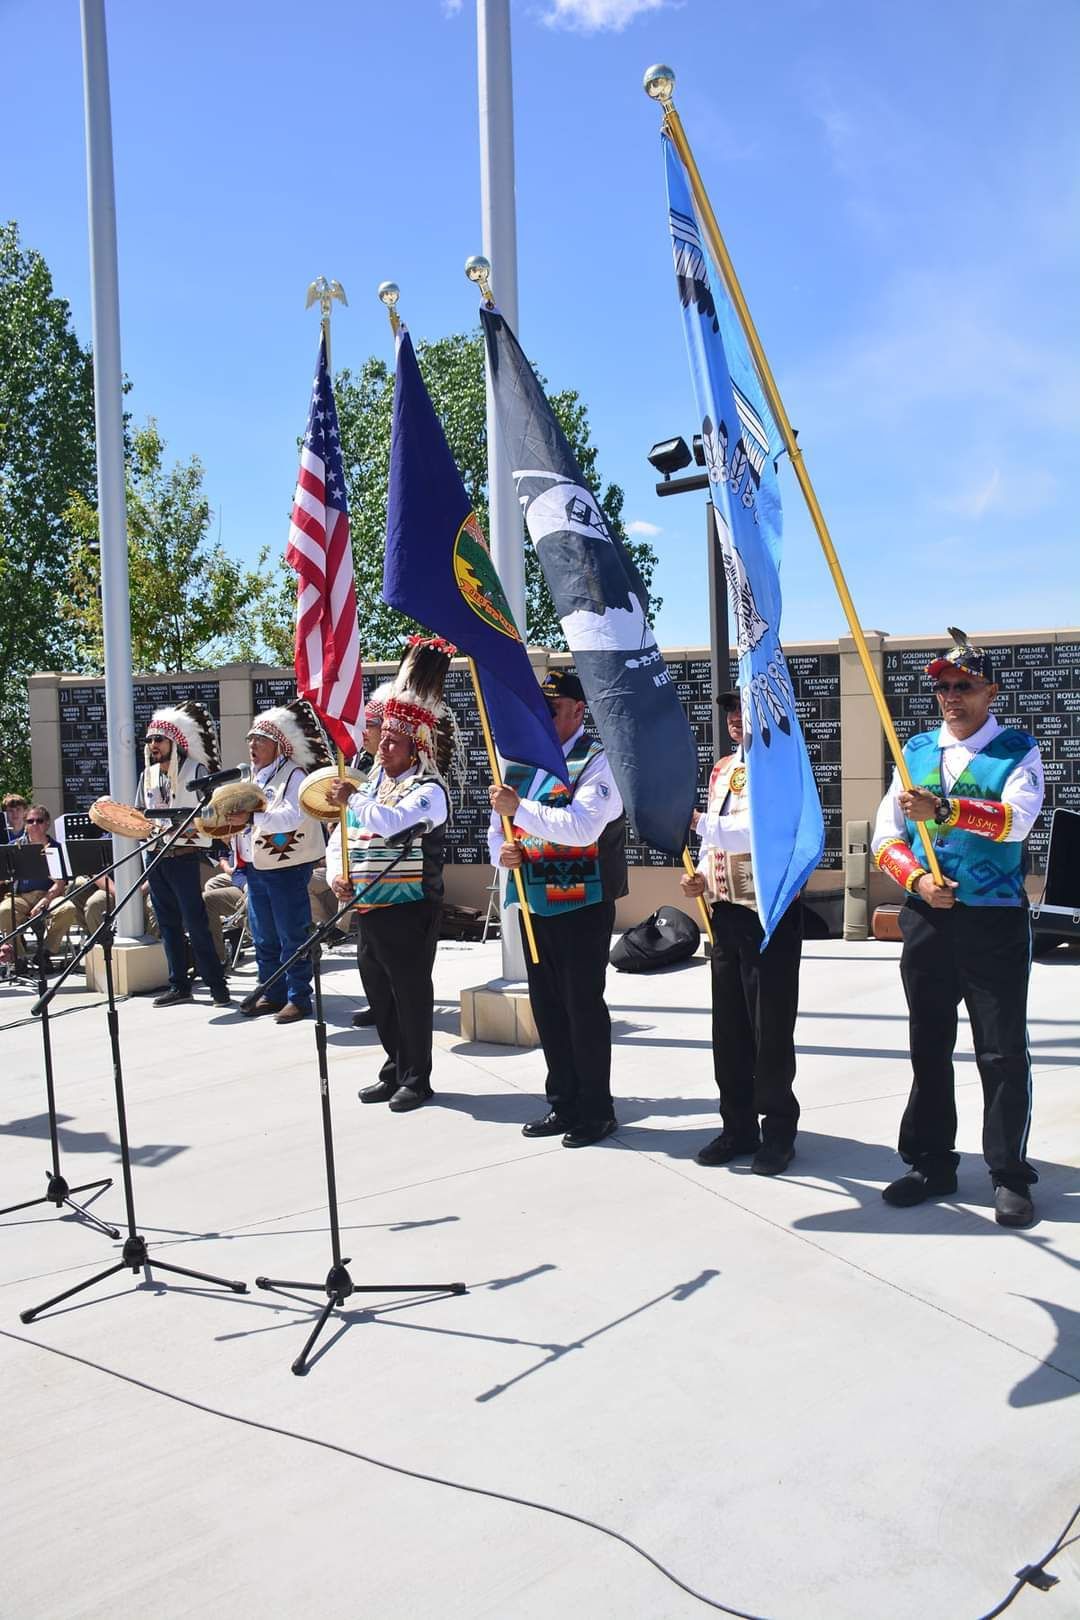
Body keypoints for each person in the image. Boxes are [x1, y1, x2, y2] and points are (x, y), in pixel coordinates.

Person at [871, 627, 1045, 1228]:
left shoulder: (1017, 751)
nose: (951, 697)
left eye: (964, 687)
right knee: (928, 1043)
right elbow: (885, 836)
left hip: (993, 921)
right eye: (944, 687)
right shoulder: (915, 751)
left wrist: (944, 808)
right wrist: (917, 880)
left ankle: (1009, 1173)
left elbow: (1018, 821)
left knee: (1000, 1050)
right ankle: (930, 1162)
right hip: (928, 918)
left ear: (990, 692)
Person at [488, 668, 627, 1149]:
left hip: (582, 906)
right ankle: (563, 1101)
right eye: (539, 709)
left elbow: (583, 826)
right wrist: (503, 854)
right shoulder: (522, 766)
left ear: (577, 710)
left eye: (551, 709)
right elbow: (496, 832)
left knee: (582, 1008)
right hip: (534, 904)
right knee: (548, 1010)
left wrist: (520, 810)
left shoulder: (596, 762)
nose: (543, 718)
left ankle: (596, 1109)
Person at [326, 641, 454, 1112]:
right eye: (383, 739)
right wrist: (338, 875)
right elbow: (342, 836)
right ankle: (394, 1067)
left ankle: (417, 1079)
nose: (382, 747)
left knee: (410, 992)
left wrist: (354, 798)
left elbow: (392, 823)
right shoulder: (370, 786)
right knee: (378, 991)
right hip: (369, 905)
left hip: (411, 906)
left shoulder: (429, 790)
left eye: (394, 741)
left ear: (416, 746)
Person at [680, 692, 804, 1175]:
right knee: (728, 1029)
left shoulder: (784, 769)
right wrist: (700, 878)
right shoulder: (722, 769)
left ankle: (778, 1130)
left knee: (769, 1028)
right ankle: (737, 1126)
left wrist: (698, 822)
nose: (735, 718)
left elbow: (761, 832)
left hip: (768, 915)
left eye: (744, 710)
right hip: (725, 914)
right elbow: (715, 844)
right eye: (731, 710)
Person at [228, 699, 332, 1025]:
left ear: (280, 745)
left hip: (287, 867)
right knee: (263, 936)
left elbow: (293, 816)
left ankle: (298, 998)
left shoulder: (295, 774)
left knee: (291, 935)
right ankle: (272, 992)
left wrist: (251, 817)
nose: (253, 745)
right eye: (250, 739)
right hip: (257, 867)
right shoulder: (253, 776)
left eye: (261, 740)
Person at [136, 701, 231, 1009]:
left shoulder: (196, 771)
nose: (153, 745)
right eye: (150, 740)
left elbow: (212, 812)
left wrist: (185, 825)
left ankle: (217, 986)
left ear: (174, 741)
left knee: (196, 922)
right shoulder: (148, 775)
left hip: (186, 856)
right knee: (167, 924)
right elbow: (140, 813)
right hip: (156, 857)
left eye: (159, 739)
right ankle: (179, 985)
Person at [0, 805, 69, 970]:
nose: (35, 824)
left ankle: (45, 952)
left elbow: (60, 883)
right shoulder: (15, 846)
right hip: (21, 896)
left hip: (49, 895)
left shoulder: (56, 848)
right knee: (4, 911)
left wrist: (43, 902)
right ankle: (19, 957)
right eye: (30, 821)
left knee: (67, 908)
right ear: (25, 824)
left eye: (39, 821)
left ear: (47, 823)